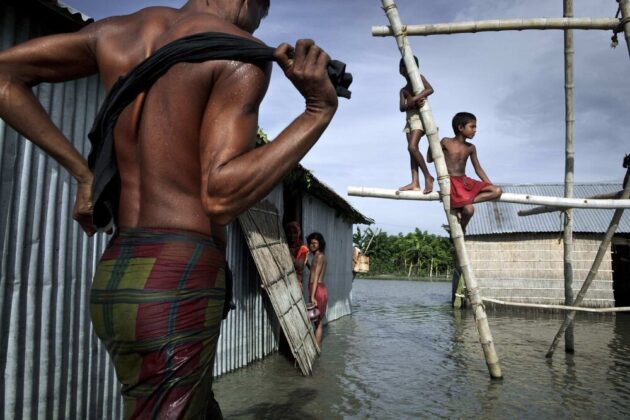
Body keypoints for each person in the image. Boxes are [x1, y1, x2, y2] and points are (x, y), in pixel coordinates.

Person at [0, 1, 340, 418]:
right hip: (178, 279)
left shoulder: (116, 32)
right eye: (260, 13)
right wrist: (317, 112)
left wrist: (83, 173)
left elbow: (4, 76)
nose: (255, 24)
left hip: (116, 277)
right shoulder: (238, 52)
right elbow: (220, 196)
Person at [428, 112, 502, 233]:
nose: (475, 130)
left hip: (464, 181)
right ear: (461, 128)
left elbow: (478, 168)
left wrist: (489, 184)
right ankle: (461, 228)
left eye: (475, 127)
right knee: (469, 210)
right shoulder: (446, 142)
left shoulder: (471, 147)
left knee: (497, 191)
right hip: (451, 182)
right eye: (472, 126)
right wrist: (433, 142)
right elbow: (429, 159)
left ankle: (460, 204)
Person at [398, 56, 435, 194]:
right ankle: (415, 182)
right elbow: (402, 107)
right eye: (403, 67)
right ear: (401, 70)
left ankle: (428, 176)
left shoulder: (419, 79)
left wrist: (414, 98)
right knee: (411, 151)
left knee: (412, 147)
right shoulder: (403, 90)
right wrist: (412, 103)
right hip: (409, 120)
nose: (405, 69)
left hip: (420, 118)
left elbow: (430, 89)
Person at [306, 231, 327, 348]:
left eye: (315, 243)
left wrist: (313, 296)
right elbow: (314, 272)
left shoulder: (319, 256)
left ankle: (316, 348)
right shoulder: (318, 256)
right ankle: (316, 346)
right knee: (316, 321)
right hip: (319, 289)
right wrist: (308, 265)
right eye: (311, 243)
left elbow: (316, 276)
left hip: (317, 289)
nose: (312, 245)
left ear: (320, 244)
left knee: (318, 323)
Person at [285, 221, 309, 286]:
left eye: (295, 232)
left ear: (299, 233)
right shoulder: (285, 244)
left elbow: (300, 266)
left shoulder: (303, 248)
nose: (292, 235)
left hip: (296, 283)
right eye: (289, 233)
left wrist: (287, 253)